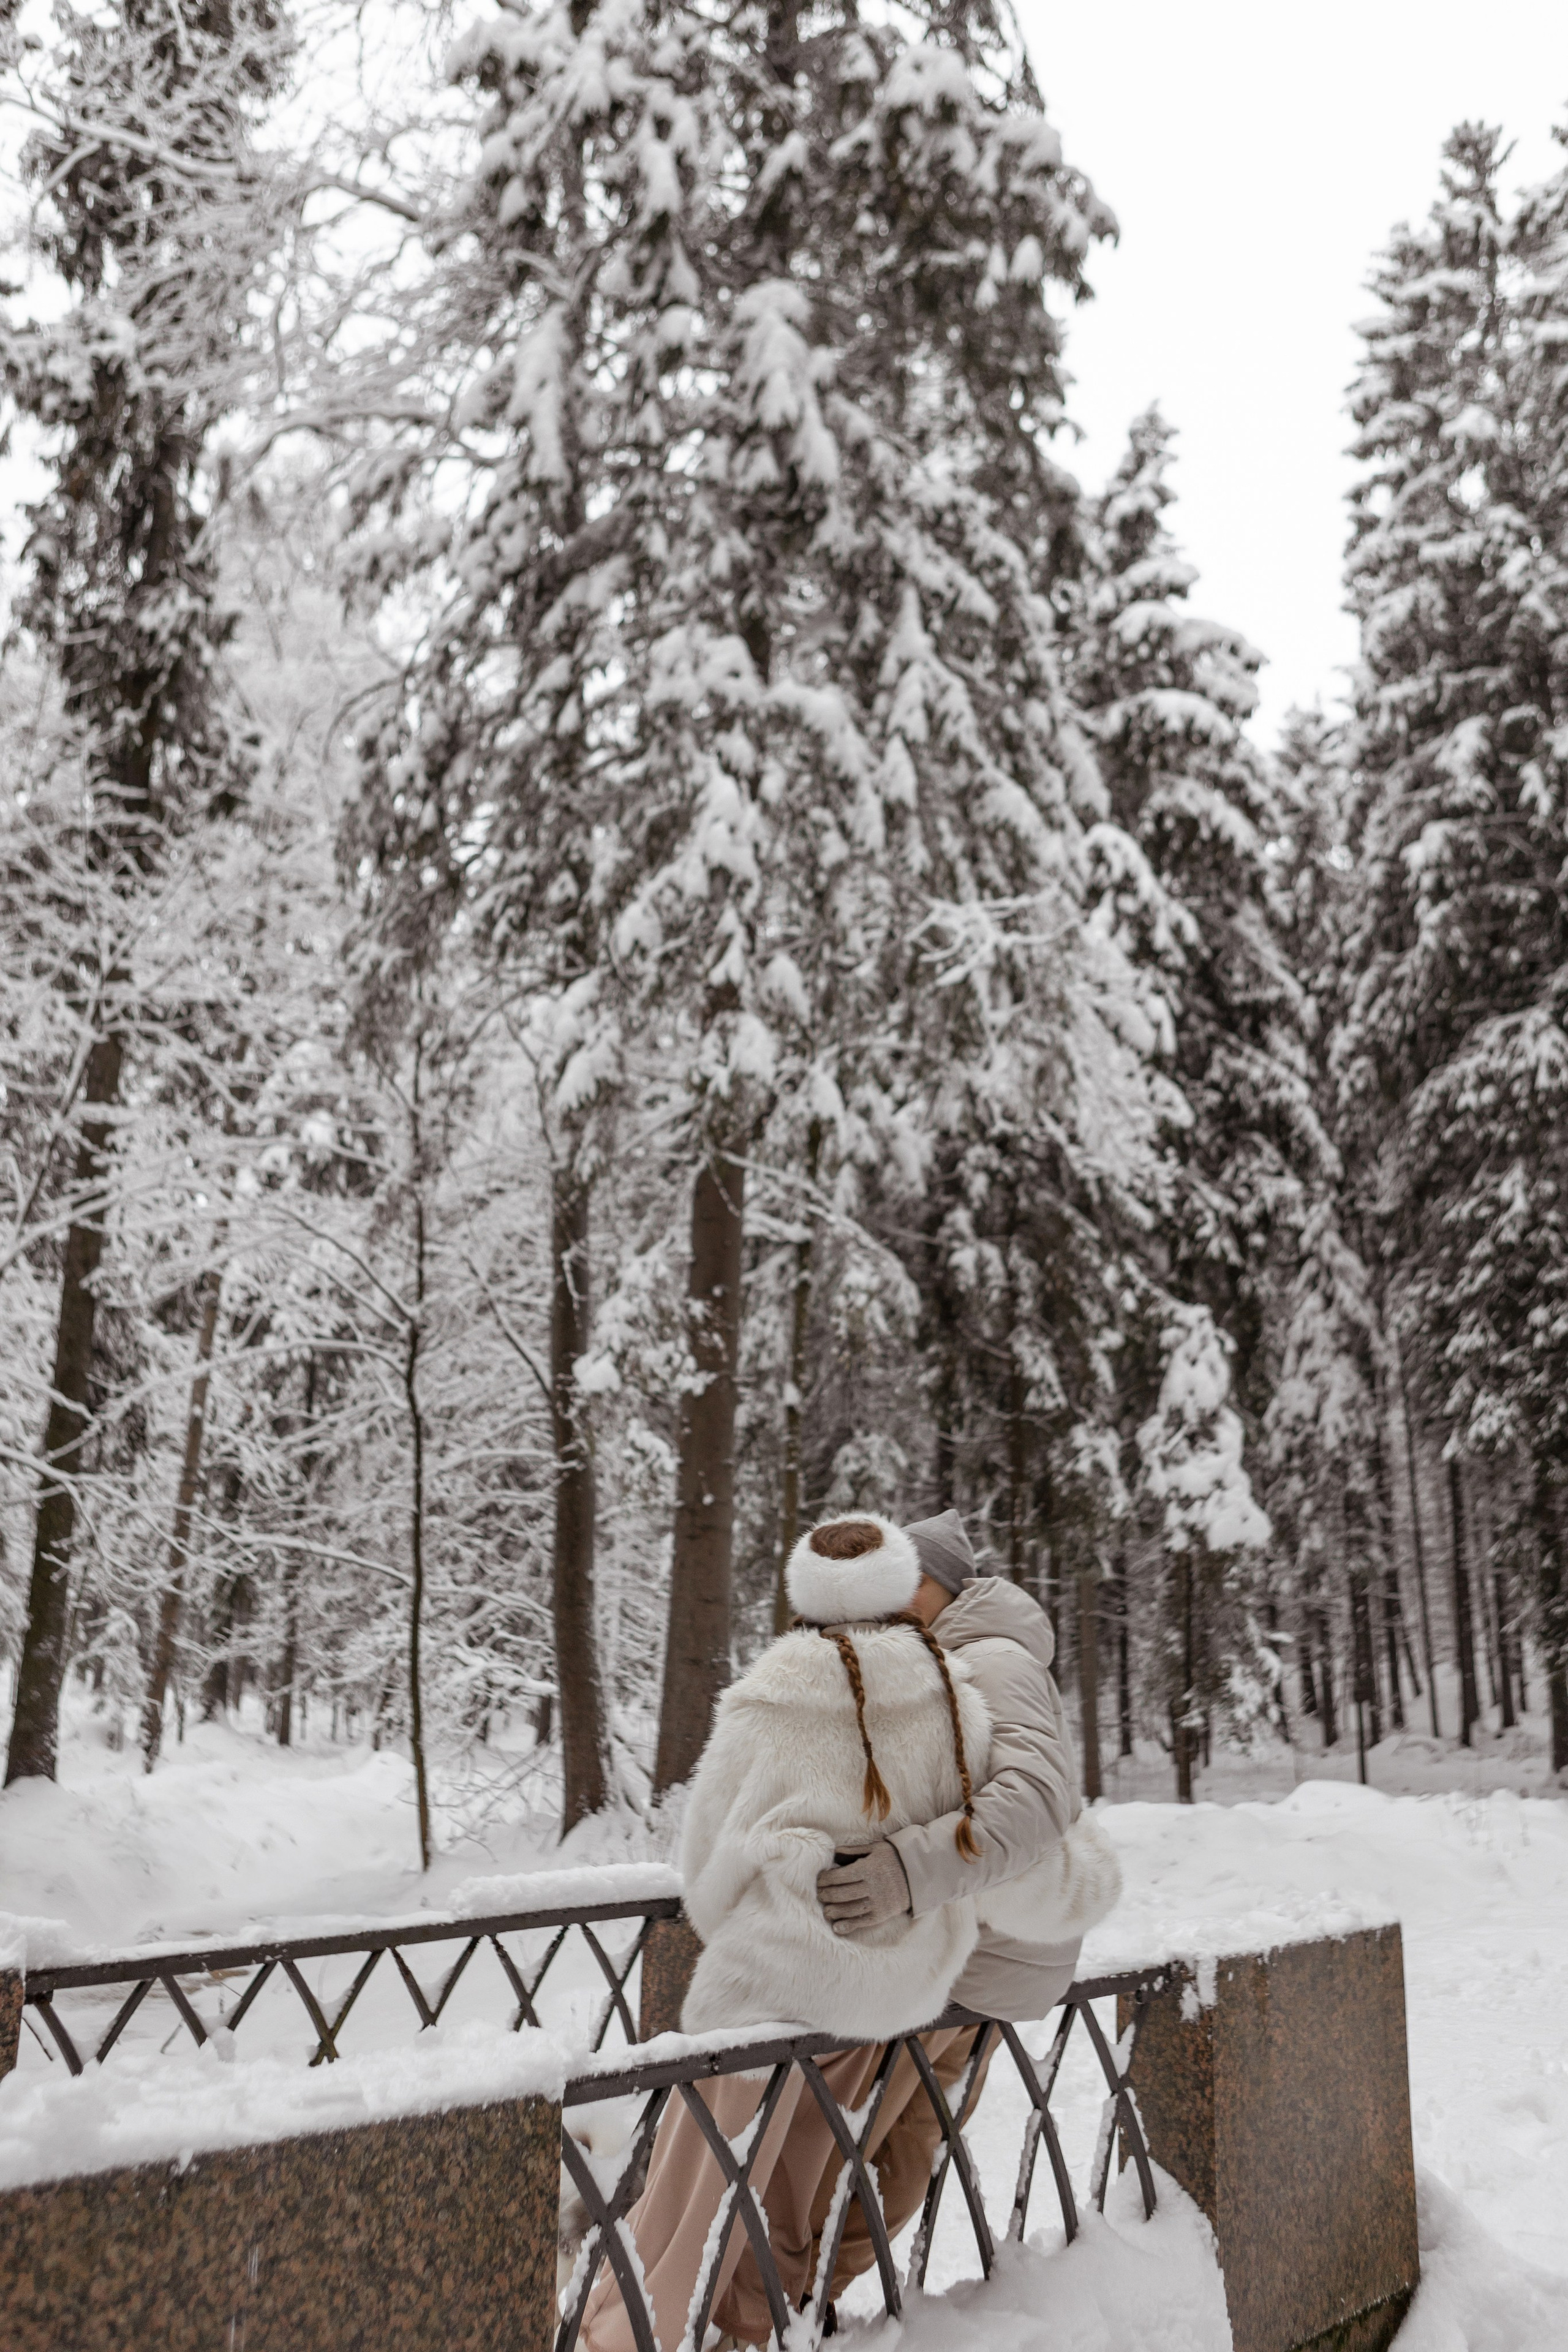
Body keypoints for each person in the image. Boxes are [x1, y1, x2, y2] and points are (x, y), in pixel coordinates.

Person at [578, 1509, 1118, 2352]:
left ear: (934, 1584)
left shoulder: (985, 1660)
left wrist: (900, 1872)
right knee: (873, 2170)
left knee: (835, 2165)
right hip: (959, 1967)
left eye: (907, 1584)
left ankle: (719, 2321)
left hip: (949, 1963)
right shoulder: (941, 1664)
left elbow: (1035, 1804)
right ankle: (774, 2315)